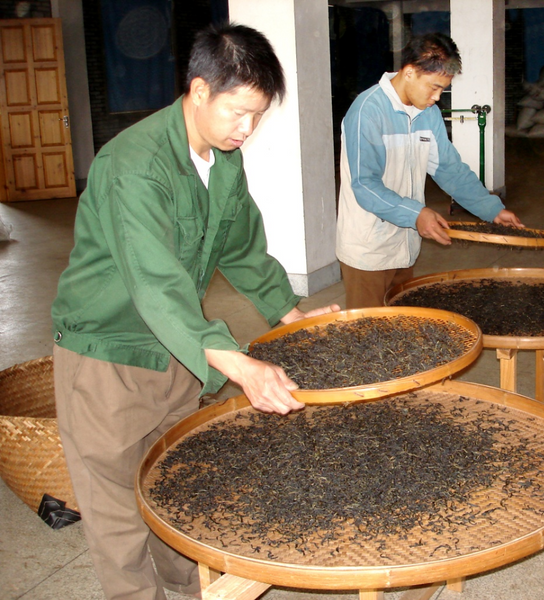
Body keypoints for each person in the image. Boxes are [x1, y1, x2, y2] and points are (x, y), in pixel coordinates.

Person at [51, 23, 337, 600]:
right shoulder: (134, 166)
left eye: (258, 116)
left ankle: (189, 587)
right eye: (239, 112)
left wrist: (290, 315)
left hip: (178, 353)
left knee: (176, 484)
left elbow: (242, 247)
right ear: (199, 90)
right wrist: (241, 365)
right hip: (109, 357)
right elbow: (157, 287)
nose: (247, 129)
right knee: (117, 513)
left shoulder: (222, 158)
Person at [336, 32, 523, 309]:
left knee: (400, 327)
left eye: (442, 90)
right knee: (367, 336)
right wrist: (417, 213)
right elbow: (365, 186)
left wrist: (491, 208)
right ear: (409, 72)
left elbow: (449, 168)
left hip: (405, 244)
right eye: (433, 87)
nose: (437, 97)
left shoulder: (428, 113)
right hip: (369, 248)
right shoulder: (368, 111)